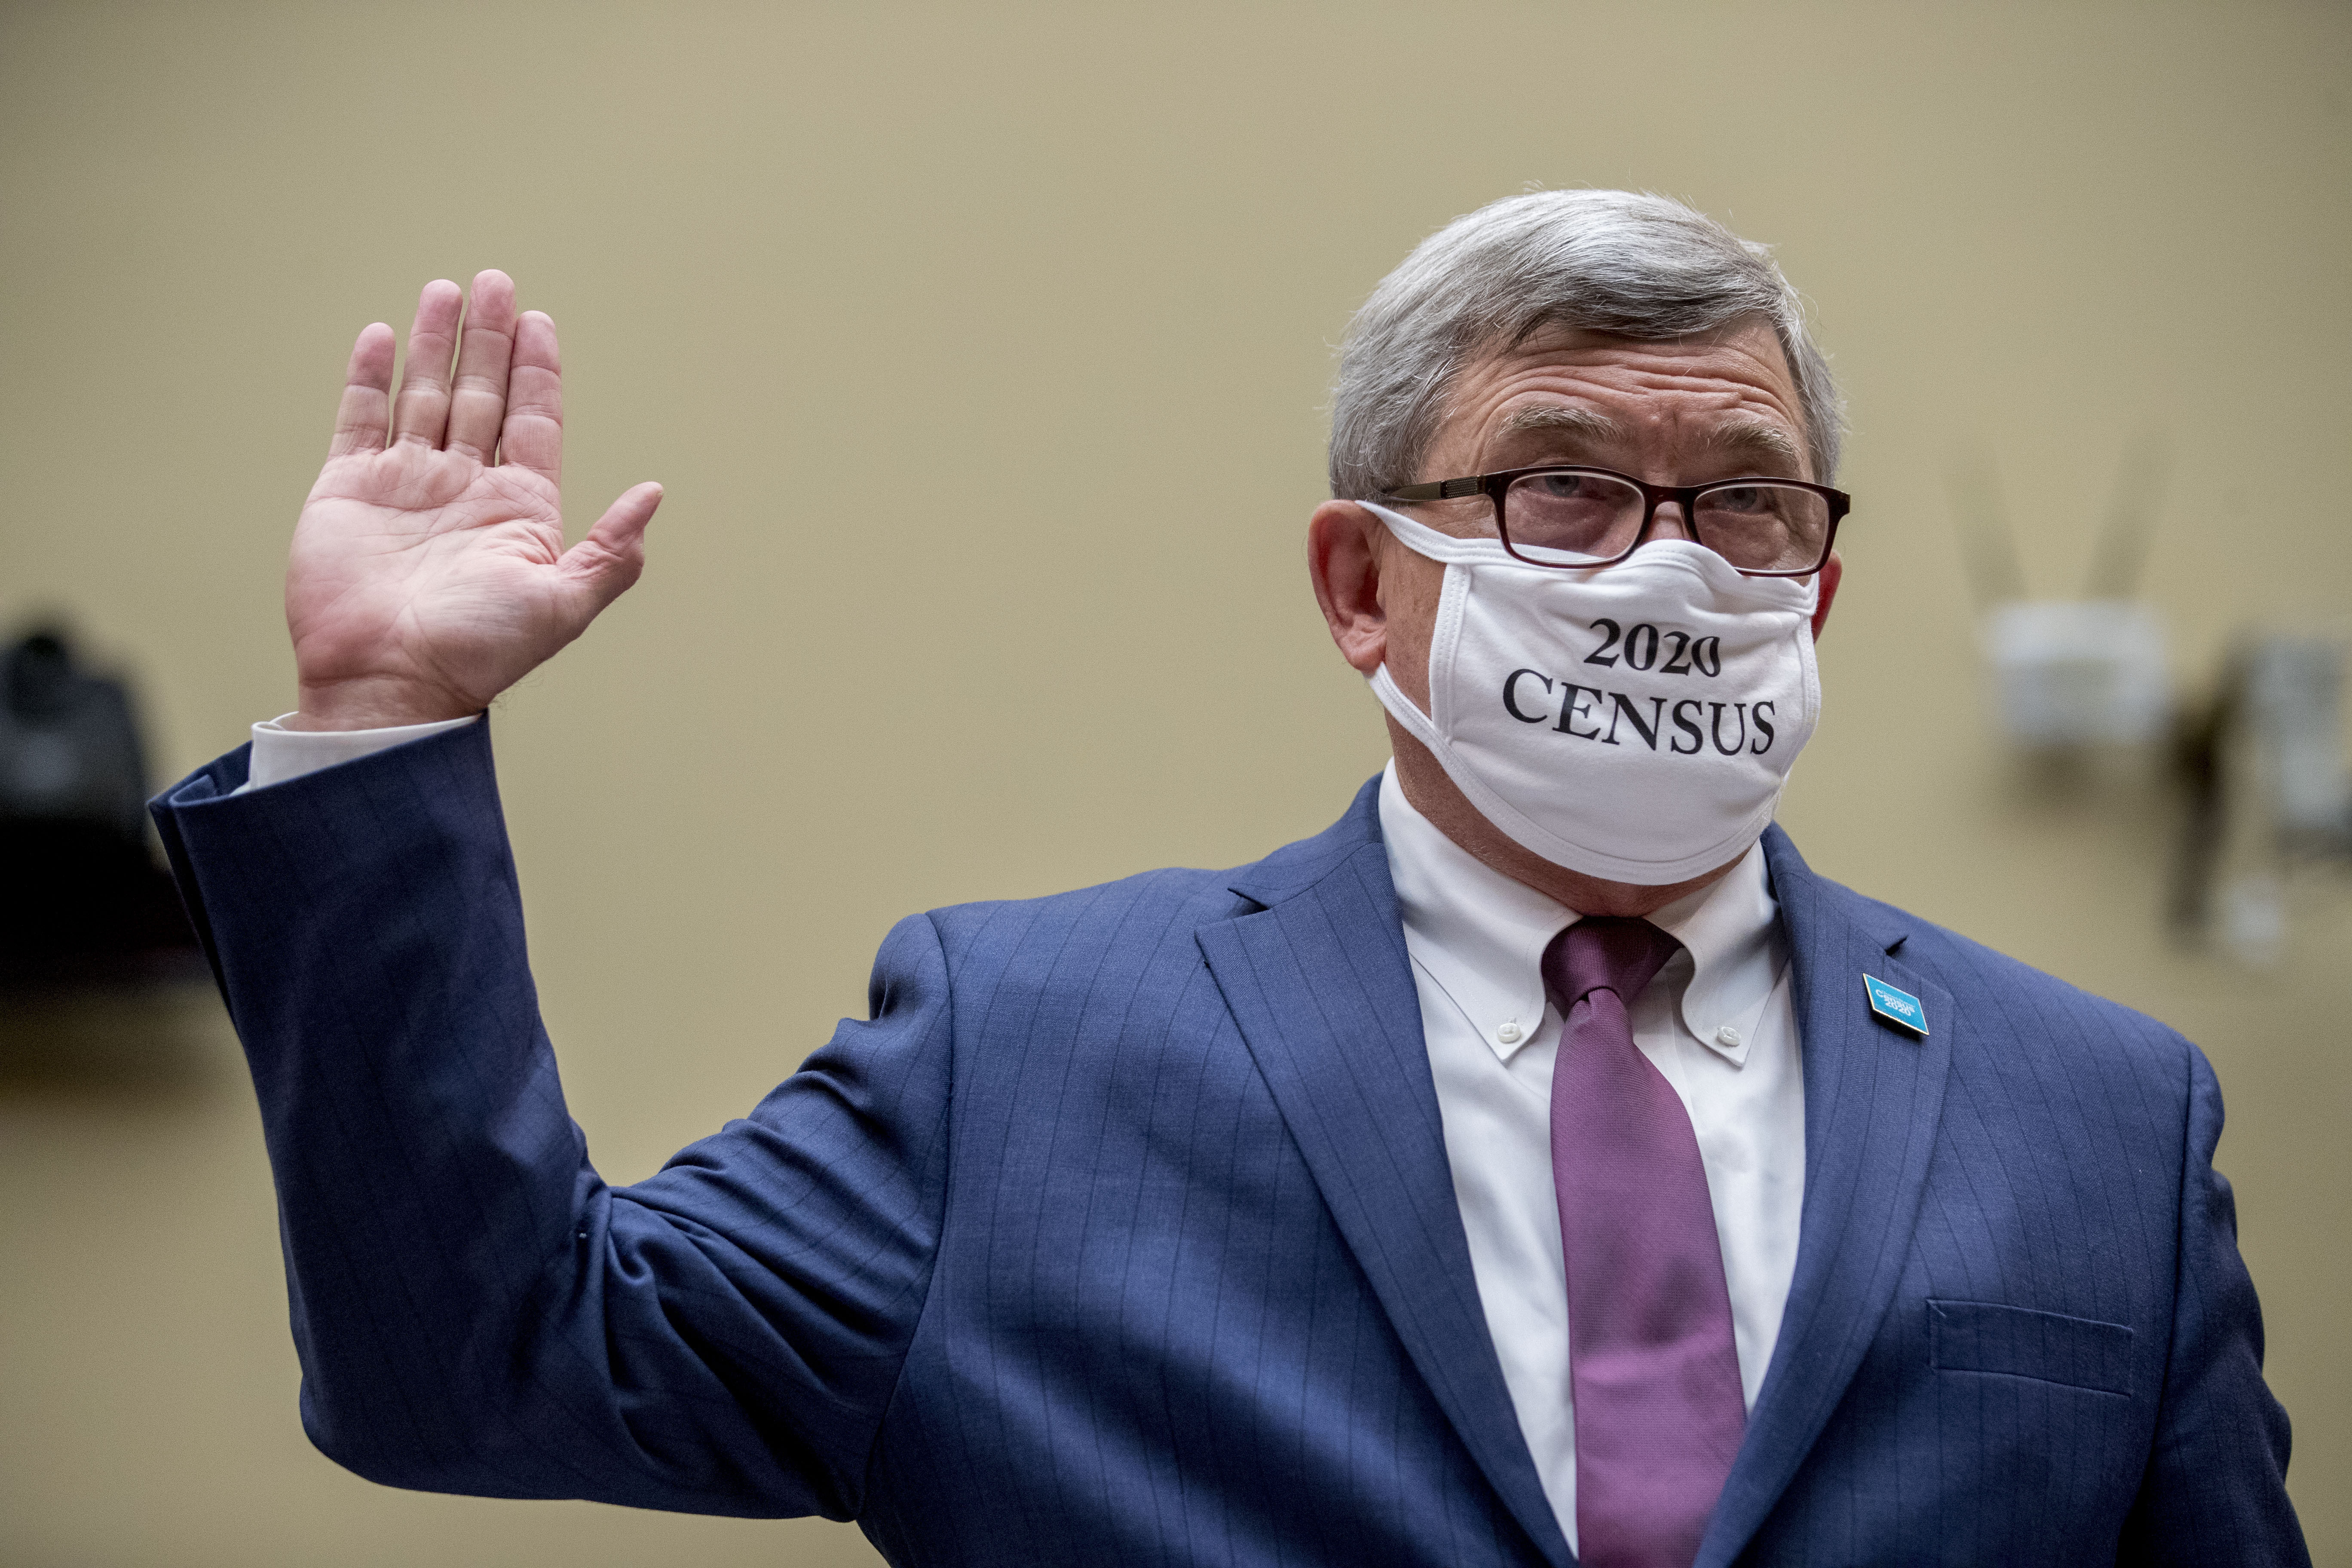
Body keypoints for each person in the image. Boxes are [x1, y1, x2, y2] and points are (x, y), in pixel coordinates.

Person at [152, 191, 2308, 1568]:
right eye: (1565, 486)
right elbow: (484, 1367)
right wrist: (387, 723)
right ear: (1364, 588)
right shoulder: (1029, 1056)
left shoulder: (2103, 1115)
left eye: (1743, 501)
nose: (1667, 560)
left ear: (1818, 592)